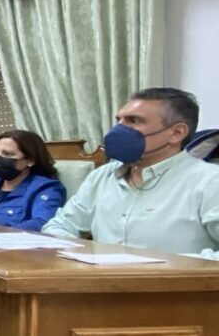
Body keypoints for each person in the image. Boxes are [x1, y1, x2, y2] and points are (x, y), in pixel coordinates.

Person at [42, 88, 219, 259]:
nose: (118, 129)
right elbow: (58, 227)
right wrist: (84, 256)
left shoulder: (210, 181)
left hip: (175, 280)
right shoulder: (102, 176)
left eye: (133, 121)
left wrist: (160, 267)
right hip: (100, 277)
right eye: (118, 120)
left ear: (176, 133)